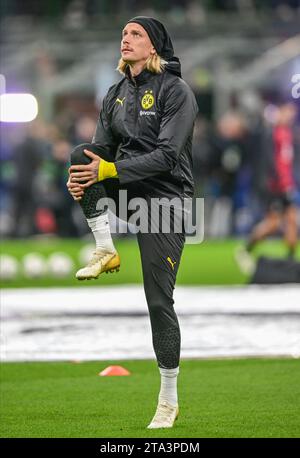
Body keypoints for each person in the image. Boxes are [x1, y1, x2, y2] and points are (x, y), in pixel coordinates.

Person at [67, 16, 198, 429]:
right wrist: (84, 179)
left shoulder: (177, 92)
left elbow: (167, 157)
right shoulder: (116, 93)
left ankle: (168, 400)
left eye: (136, 34)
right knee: (79, 156)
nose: (126, 39)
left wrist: (105, 174)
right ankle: (105, 248)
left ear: (154, 46)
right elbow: (100, 152)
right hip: (129, 191)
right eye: (123, 33)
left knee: (158, 302)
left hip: (168, 203)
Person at [235, 101, 298, 275]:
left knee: (292, 219)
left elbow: (288, 162)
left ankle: (291, 259)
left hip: (287, 184)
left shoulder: (287, 134)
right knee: (274, 223)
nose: (290, 116)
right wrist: (280, 183)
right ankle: (246, 249)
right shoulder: (271, 133)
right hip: (276, 186)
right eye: (287, 112)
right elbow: (271, 162)